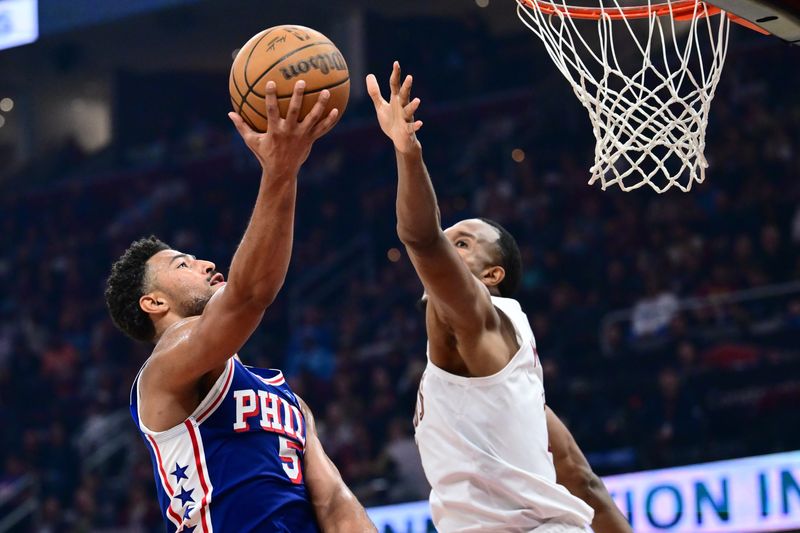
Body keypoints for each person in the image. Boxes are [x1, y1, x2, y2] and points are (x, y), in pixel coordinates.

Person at [366, 62, 632, 533]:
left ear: (492, 274)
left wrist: (407, 153)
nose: (449, 247)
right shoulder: (522, 386)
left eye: (462, 243)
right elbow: (582, 481)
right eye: (451, 239)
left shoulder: (477, 318)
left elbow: (421, 238)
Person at [105, 81, 375, 533]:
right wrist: (280, 171)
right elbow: (249, 296)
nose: (207, 263)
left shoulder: (288, 398)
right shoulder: (164, 372)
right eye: (182, 263)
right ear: (153, 302)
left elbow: (333, 501)